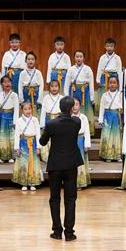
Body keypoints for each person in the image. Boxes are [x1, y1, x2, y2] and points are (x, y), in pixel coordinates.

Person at [40, 95, 83, 240]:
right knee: (70, 199)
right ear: (71, 108)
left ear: (60, 107)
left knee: (54, 198)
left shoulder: (51, 124)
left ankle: (57, 231)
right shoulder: (76, 122)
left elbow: (43, 142)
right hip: (71, 165)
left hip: (56, 165)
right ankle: (69, 233)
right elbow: (74, 119)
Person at [13, 101, 44, 191]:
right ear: (22, 110)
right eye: (25, 109)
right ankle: (24, 183)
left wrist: (38, 147)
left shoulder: (35, 120)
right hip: (23, 143)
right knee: (23, 162)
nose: (28, 111)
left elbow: (38, 134)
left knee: (33, 162)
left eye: (29, 109)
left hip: (33, 143)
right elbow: (17, 135)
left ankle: (32, 182)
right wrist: (17, 147)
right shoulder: (19, 121)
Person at [0, 75, 20, 162]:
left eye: (9, 82)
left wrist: (15, 121)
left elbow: (16, 109)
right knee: (1, 137)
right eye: (5, 82)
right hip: (1, 117)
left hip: (10, 117)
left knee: (11, 137)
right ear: (2, 84)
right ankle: (2, 156)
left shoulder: (14, 95)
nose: (7, 84)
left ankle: (12, 156)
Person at [65, 51, 95, 127]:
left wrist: (92, 98)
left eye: (81, 57)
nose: (79, 58)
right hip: (74, 91)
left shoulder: (88, 69)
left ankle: (85, 127)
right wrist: (66, 96)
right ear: (74, 58)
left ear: (84, 58)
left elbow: (91, 83)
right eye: (77, 57)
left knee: (86, 110)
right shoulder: (71, 69)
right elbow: (67, 83)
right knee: (74, 108)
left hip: (85, 92)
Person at [98, 75, 123, 160]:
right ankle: (107, 155)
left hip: (116, 116)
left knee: (116, 135)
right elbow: (102, 108)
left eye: (114, 83)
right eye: (110, 83)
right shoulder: (105, 95)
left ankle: (117, 155)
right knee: (107, 134)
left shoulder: (120, 95)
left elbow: (124, 108)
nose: (112, 84)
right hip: (107, 117)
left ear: (118, 84)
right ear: (108, 84)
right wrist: (100, 119)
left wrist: (125, 119)